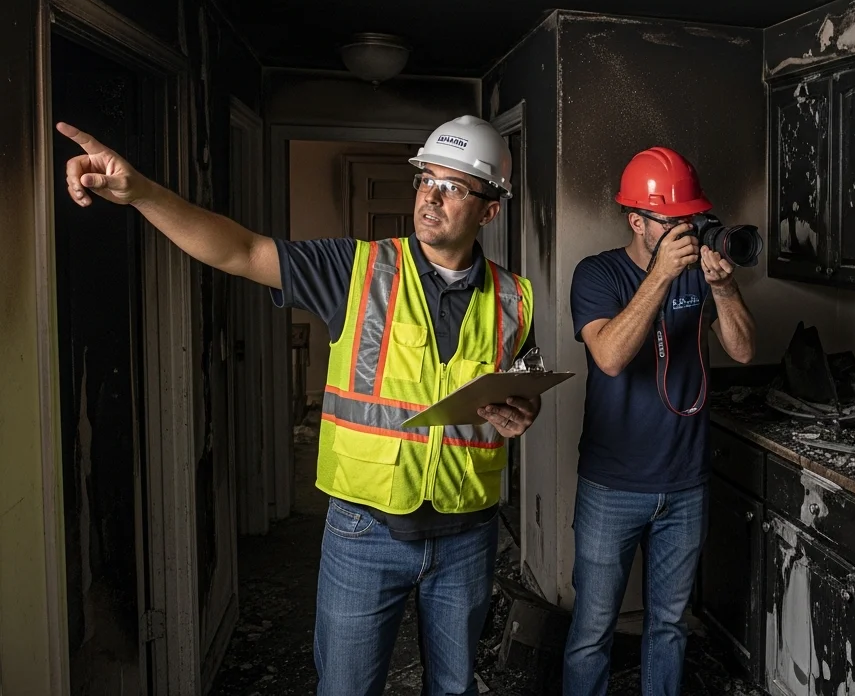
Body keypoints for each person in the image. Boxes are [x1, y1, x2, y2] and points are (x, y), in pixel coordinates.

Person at [57, 115, 539, 696]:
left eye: (455, 186)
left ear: (489, 210)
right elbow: (239, 250)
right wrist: (141, 193)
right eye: (425, 179)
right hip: (366, 532)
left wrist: (522, 413)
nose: (430, 198)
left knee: (455, 688)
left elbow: (515, 389)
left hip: (468, 532)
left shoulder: (515, 296)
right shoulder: (355, 269)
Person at [563, 147, 756, 696]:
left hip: (686, 482)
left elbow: (742, 351)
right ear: (637, 221)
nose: (686, 232)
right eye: (672, 222)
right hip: (612, 485)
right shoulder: (597, 274)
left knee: (669, 627)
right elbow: (610, 357)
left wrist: (721, 284)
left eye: (690, 219)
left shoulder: (700, 274)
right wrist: (661, 276)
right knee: (592, 631)